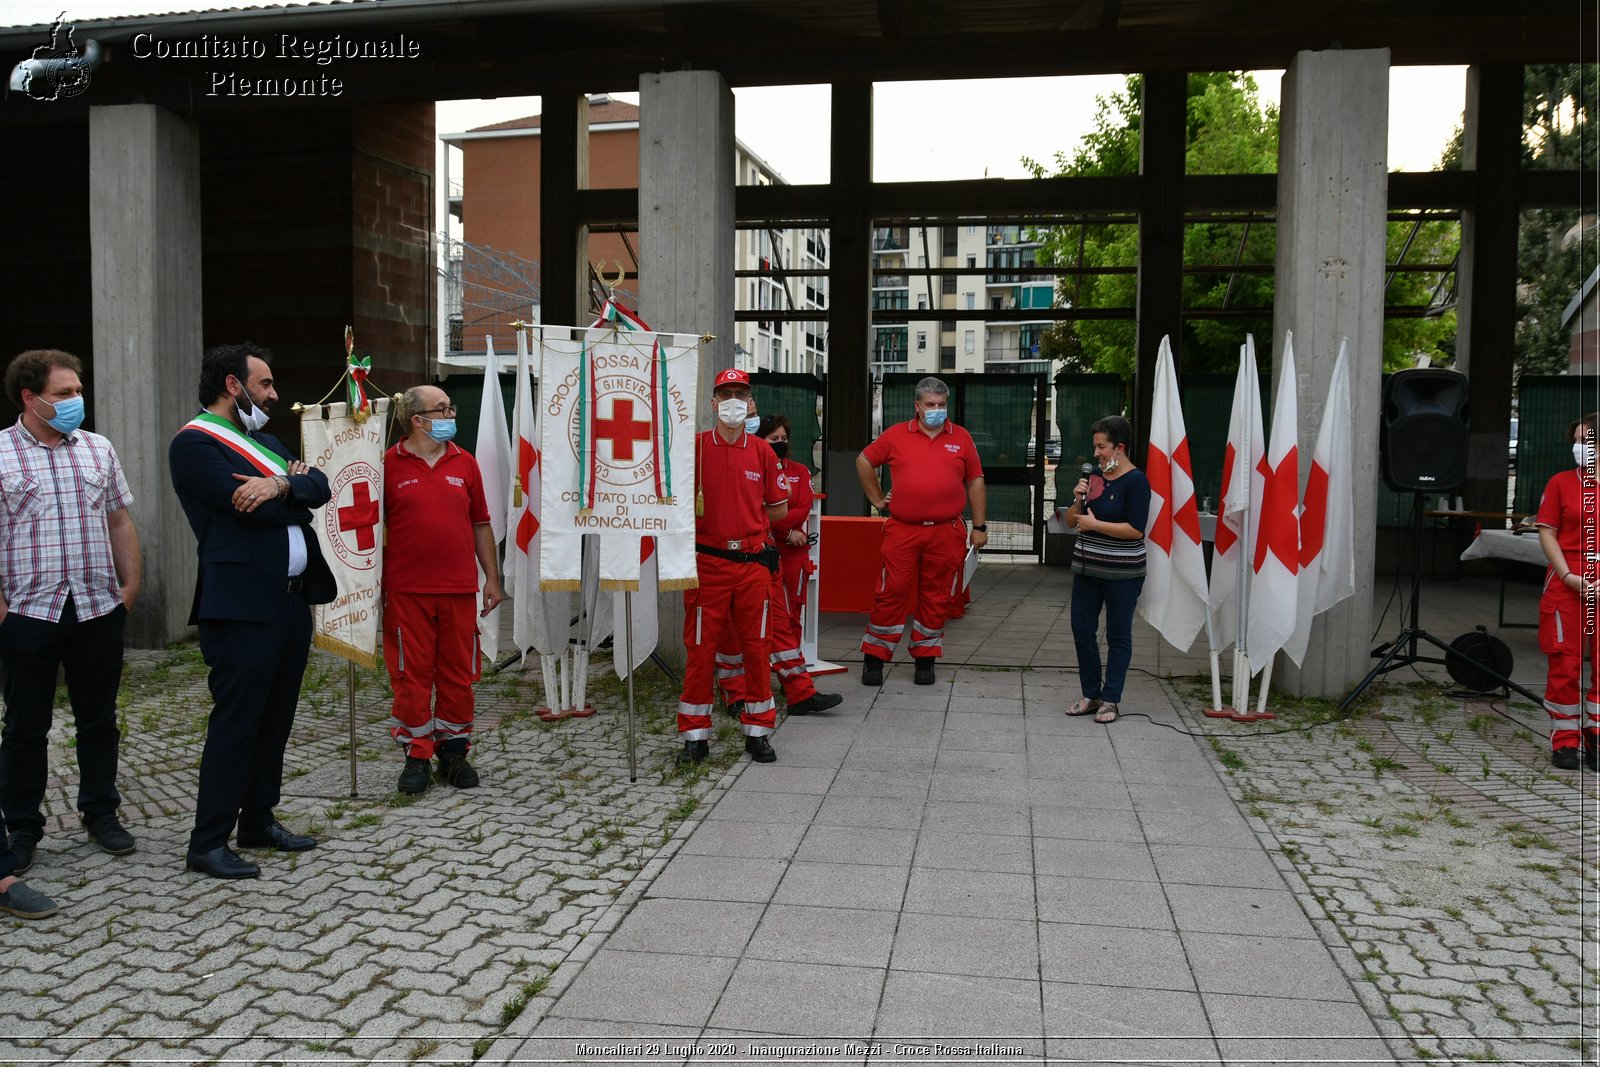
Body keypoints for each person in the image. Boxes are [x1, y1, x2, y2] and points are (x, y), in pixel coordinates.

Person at [170, 343, 335, 879]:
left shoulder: (262, 441)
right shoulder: (195, 444)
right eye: (265, 385)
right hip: (240, 605)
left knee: (276, 719)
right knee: (237, 724)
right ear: (233, 385)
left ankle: (258, 821)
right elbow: (251, 510)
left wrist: (283, 483)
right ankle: (208, 842)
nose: (274, 394)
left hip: (289, 601)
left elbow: (321, 487)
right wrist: (291, 491)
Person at [0, 348, 141, 881]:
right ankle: (21, 826)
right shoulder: (1, 454)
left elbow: (119, 520)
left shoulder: (98, 449)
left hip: (97, 606)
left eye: (79, 391)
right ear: (30, 398)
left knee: (99, 719)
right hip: (28, 612)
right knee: (24, 726)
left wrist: (129, 587)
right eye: (64, 394)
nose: (76, 401)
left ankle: (101, 812)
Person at [382, 384, 505, 793]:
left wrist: (493, 577)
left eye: (451, 407)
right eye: (443, 409)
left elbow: (480, 522)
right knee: (411, 674)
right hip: (407, 592)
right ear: (417, 420)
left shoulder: (465, 462)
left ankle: (453, 752)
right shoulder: (387, 465)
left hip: (457, 589)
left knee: (457, 673)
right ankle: (416, 755)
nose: (451, 414)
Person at [678, 368, 788, 766]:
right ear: (713, 403)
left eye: (740, 394)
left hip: (753, 566)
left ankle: (757, 733)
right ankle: (695, 736)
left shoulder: (762, 451)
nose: (733, 403)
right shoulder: (693, 448)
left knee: (757, 648)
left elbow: (779, 508)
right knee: (701, 650)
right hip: (707, 565)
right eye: (725, 395)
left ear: (750, 401)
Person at [855, 376, 986, 687]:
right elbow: (864, 460)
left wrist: (980, 526)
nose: (937, 410)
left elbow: (975, 481)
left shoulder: (962, 438)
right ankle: (875, 658)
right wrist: (876, 499)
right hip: (903, 529)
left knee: (936, 596)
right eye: (930, 405)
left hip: (947, 531)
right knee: (891, 591)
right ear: (917, 406)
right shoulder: (896, 434)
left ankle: (925, 661)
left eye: (942, 405)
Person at [719, 414, 843, 719]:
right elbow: (744, 510)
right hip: (733, 556)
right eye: (772, 438)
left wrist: (775, 521)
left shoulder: (788, 469)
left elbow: (786, 508)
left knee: (782, 626)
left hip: (765, 555)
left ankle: (800, 692)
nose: (780, 443)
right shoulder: (727, 462)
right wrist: (779, 525)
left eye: (782, 438)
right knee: (732, 629)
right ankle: (736, 693)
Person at [1062, 415, 1149, 725]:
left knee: (1117, 634)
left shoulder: (1136, 481)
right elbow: (1072, 521)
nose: (1096, 453)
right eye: (1095, 446)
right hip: (1087, 568)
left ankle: (1110, 699)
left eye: (1102, 447)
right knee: (1081, 629)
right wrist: (1077, 500)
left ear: (1119, 448)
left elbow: (1136, 530)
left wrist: (1095, 524)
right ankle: (1090, 694)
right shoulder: (1095, 477)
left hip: (1123, 573)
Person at [1535, 412, 1600, 771]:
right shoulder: (1561, 482)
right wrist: (1567, 574)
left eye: (1585, 441)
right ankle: (1565, 740)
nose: (1578, 448)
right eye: (1575, 441)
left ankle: (1597, 735)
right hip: (1566, 581)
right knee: (1565, 662)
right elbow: (1547, 532)